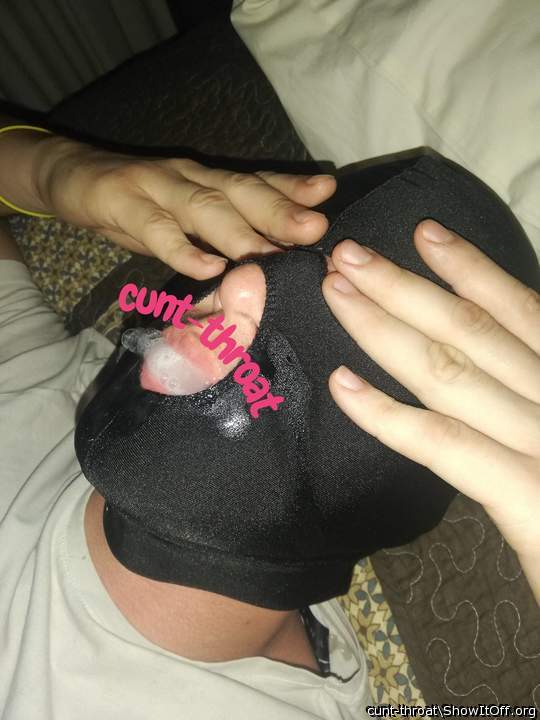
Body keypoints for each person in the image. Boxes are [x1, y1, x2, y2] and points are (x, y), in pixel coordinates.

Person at [0, 122, 539, 719]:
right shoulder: (37, 393)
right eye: (263, 249)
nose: (237, 280)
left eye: (335, 315)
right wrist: (53, 170)